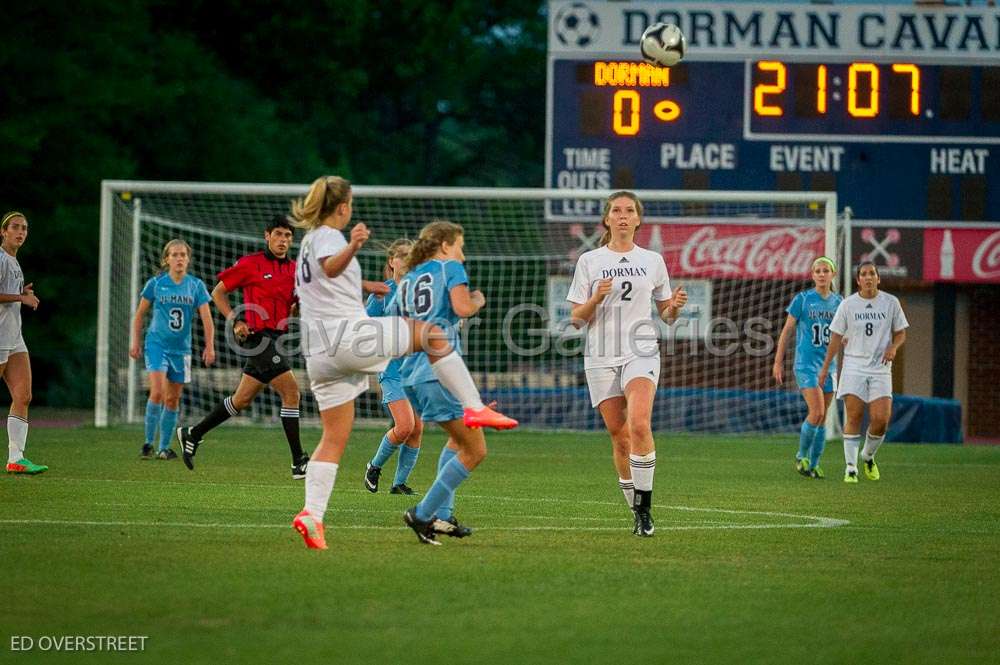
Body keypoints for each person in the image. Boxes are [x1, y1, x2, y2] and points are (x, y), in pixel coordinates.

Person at [287, 176, 517, 550]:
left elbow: (319, 283)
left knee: (333, 437)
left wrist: (367, 287)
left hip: (318, 351)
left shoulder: (307, 244)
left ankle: (312, 514)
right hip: (347, 336)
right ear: (342, 206)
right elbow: (331, 268)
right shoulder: (329, 235)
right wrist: (355, 245)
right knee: (432, 334)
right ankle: (475, 408)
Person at [566, 191, 687, 537]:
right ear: (606, 220)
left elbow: (666, 316)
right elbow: (576, 318)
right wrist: (596, 297)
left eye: (628, 211)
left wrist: (675, 306)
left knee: (638, 424)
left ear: (637, 219)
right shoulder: (590, 260)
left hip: (641, 350)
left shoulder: (652, 260)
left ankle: (645, 511)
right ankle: (635, 511)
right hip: (601, 354)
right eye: (616, 210)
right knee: (619, 437)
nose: (622, 215)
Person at [177, 215, 309, 479]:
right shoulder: (251, 264)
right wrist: (235, 320)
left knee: (241, 400)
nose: (283, 240)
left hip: (275, 339)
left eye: (288, 236)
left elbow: (294, 307)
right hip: (256, 338)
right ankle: (298, 461)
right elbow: (218, 292)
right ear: (267, 236)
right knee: (292, 392)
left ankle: (193, 433)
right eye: (279, 234)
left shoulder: (295, 269)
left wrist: (298, 310)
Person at [398, 221, 489, 542]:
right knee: (475, 450)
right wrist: (478, 300)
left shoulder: (407, 280)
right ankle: (422, 515)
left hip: (412, 374)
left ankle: (444, 517)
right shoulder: (449, 267)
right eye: (460, 247)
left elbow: (401, 329)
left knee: (460, 440)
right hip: (438, 370)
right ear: (447, 246)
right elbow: (463, 307)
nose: (462, 256)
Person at [818, 261, 908, 483]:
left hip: (880, 368)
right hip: (854, 367)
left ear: (878, 278)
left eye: (872, 274)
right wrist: (825, 367)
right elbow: (836, 338)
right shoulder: (848, 305)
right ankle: (850, 468)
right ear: (858, 280)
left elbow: (901, 333)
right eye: (864, 274)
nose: (868, 277)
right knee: (854, 415)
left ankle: (867, 455)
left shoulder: (891, 302)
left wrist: (893, 347)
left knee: (881, 419)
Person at [130, 239, 215, 460]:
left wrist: (210, 346)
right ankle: (148, 443)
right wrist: (135, 342)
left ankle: (164, 448)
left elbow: (207, 318)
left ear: (188, 259)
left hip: (182, 350)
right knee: (157, 392)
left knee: (172, 399)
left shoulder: (195, 285)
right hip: (157, 344)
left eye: (183, 255)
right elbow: (139, 315)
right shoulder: (156, 284)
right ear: (166, 259)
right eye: (175, 255)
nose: (179, 259)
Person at [363, 239, 425, 495]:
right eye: (401, 256)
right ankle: (373, 466)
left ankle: (399, 484)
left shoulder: (421, 292)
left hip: (414, 368)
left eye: (410, 256)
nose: (405, 260)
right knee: (404, 426)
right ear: (391, 261)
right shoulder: (382, 292)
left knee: (417, 428)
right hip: (391, 368)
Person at [772, 257, 843, 479]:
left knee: (823, 418)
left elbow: (842, 335)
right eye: (817, 271)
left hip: (828, 367)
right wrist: (777, 361)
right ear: (812, 275)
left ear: (833, 274)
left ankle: (813, 464)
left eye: (826, 270)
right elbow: (786, 332)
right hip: (805, 366)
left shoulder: (840, 302)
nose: (822, 274)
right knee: (817, 411)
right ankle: (801, 455)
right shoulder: (802, 300)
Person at [0, 212, 45, 475]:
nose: (20, 232)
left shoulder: (14, 262)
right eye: (15, 227)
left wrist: (22, 294)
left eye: (24, 228)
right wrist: (21, 298)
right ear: (3, 232)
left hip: (14, 337)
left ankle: (16, 457)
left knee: (23, 395)